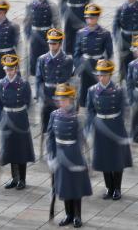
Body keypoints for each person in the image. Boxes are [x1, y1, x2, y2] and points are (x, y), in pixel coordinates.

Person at [46, 83, 92, 228]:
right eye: (60, 99)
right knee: (65, 187)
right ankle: (68, 214)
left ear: (71, 99)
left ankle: (77, 215)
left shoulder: (77, 117)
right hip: (59, 154)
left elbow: (80, 139)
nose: (62, 102)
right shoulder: (54, 115)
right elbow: (50, 137)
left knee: (75, 187)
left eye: (65, 99)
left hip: (73, 154)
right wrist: (51, 157)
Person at [86, 60, 132, 201]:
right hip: (101, 126)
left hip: (115, 126)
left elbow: (124, 110)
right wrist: (91, 127)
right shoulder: (92, 91)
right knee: (104, 158)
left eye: (105, 75)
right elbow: (90, 111)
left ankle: (117, 188)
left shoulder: (118, 90)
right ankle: (109, 187)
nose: (102, 77)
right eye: (100, 74)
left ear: (110, 75)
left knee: (117, 158)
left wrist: (120, 127)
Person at [0, 54, 35, 190]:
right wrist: (1, 118)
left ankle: (22, 179)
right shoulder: (0, 84)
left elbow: (29, 102)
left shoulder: (23, 84)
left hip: (20, 118)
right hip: (7, 118)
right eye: (7, 69)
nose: (9, 72)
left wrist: (22, 114)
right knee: (10, 149)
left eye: (11, 69)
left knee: (21, 149)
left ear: (16, 69)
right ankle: (14, 178)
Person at [73, 3, 113, 108]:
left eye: (93, 17)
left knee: (98, 91)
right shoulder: (80, 33)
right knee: (83, 91)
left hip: (98, 65)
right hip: (85, 65)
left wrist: (106, 69)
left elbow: (109, 53)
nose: (90, 20)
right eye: (88, 17)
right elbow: (77, 53)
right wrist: (78, 66)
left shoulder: (105, 33)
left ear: (97, 17)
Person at [36, 28, 73, 135]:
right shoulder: (42, 59)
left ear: (60, 44)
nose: (51, 45)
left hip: (61, 93)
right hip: (47, 93)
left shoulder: (67, 60)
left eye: (54, 43)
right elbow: (39, 79)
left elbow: (68, 79)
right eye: (50, 43)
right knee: (46, 123)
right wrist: (40, 96)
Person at [23, 0, 60, 76]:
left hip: (47, 36)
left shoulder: (52, 6)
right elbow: (27, 22)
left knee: (47, 63)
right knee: (34, 62)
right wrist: (28, 38)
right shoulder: (30, 5)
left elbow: (57, 24)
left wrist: (57, 40)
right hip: (35, 36)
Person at [113, 0, 138, 81]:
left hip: (136, 39)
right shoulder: (120, 8)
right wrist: (118, 40)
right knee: (124, 62)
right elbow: (115, 26)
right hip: (124, 39)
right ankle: (123, 81)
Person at [126, 36, 138, 142]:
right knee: (134, 117)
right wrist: (130, 97)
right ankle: (134, 136)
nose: (135, 52)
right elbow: (129, 84)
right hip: (136, 94)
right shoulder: (132, 65)